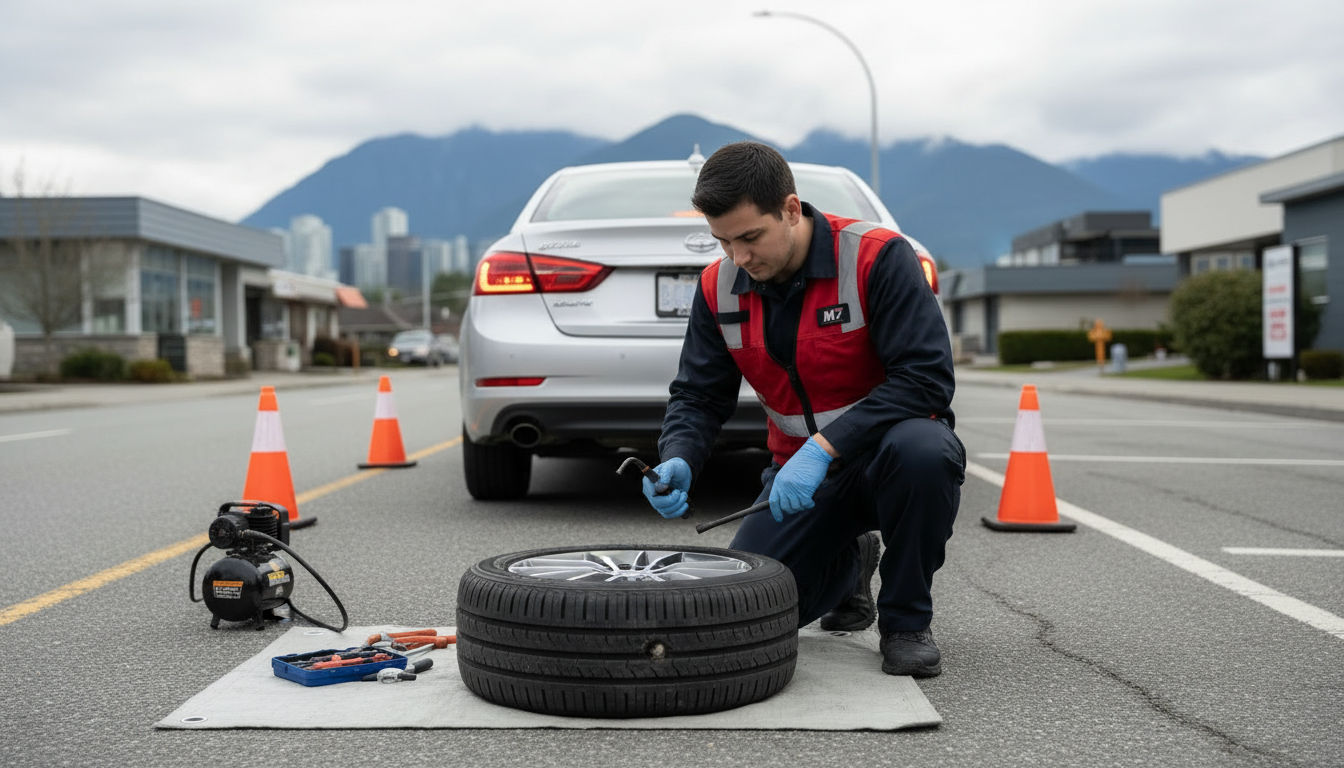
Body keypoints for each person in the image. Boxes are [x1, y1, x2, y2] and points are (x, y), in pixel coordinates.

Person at [641, 142, 964, 677]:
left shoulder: (876, 257)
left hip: (889, 458)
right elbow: (699, 395)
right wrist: (679, 456)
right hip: (800, 479)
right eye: (723, 242)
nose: (738, 257)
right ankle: (850, 564)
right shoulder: (717, 288)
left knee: (924, 454)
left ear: (791, 209)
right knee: (753, 613)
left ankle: (905, 621)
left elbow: (926, 379)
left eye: (750, 237)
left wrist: (826, 446)